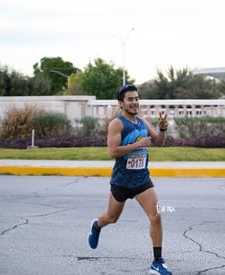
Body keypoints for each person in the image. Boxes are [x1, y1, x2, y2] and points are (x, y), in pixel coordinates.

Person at [88, 84, 172, 275]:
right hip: (121, 182)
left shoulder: (142, 122)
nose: (134, 102)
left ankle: (157, 262)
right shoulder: (117, 124)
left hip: (142, 179)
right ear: (121, 103)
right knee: (111, 218)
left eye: (136, 98)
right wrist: (137, 145)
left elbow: (158, 143)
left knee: (156, 216)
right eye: (130, 99)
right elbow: (113, 152)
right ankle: (96, 225)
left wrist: (162, 129)